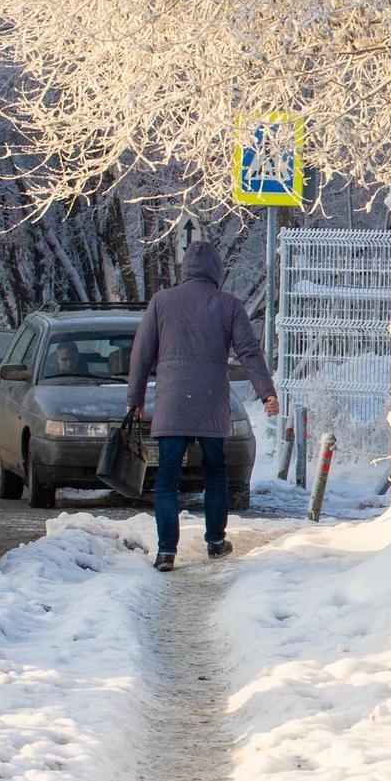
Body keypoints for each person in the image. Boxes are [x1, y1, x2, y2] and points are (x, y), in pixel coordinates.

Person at [123, 240, 279, 570]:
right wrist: (266, 392)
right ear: (216, 271)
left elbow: (142, 353)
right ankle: (216, 541)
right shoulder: (229, 305)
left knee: (166, 479)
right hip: (210, 401)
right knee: (215, 472)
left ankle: (166, 551)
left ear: (185, 270)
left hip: (173, 401)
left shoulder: (161, 302)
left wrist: (135, 399)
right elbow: (249, 352)